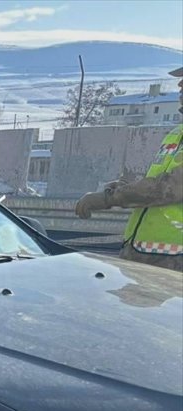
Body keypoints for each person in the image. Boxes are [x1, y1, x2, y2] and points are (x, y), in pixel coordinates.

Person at [74, 66, 183, 272]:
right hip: (147, 256)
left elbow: (168, 188)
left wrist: (110, 198)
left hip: (174, 265)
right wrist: (125, 188)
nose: (180, 85)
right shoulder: (177, 133)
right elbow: (157, 183)